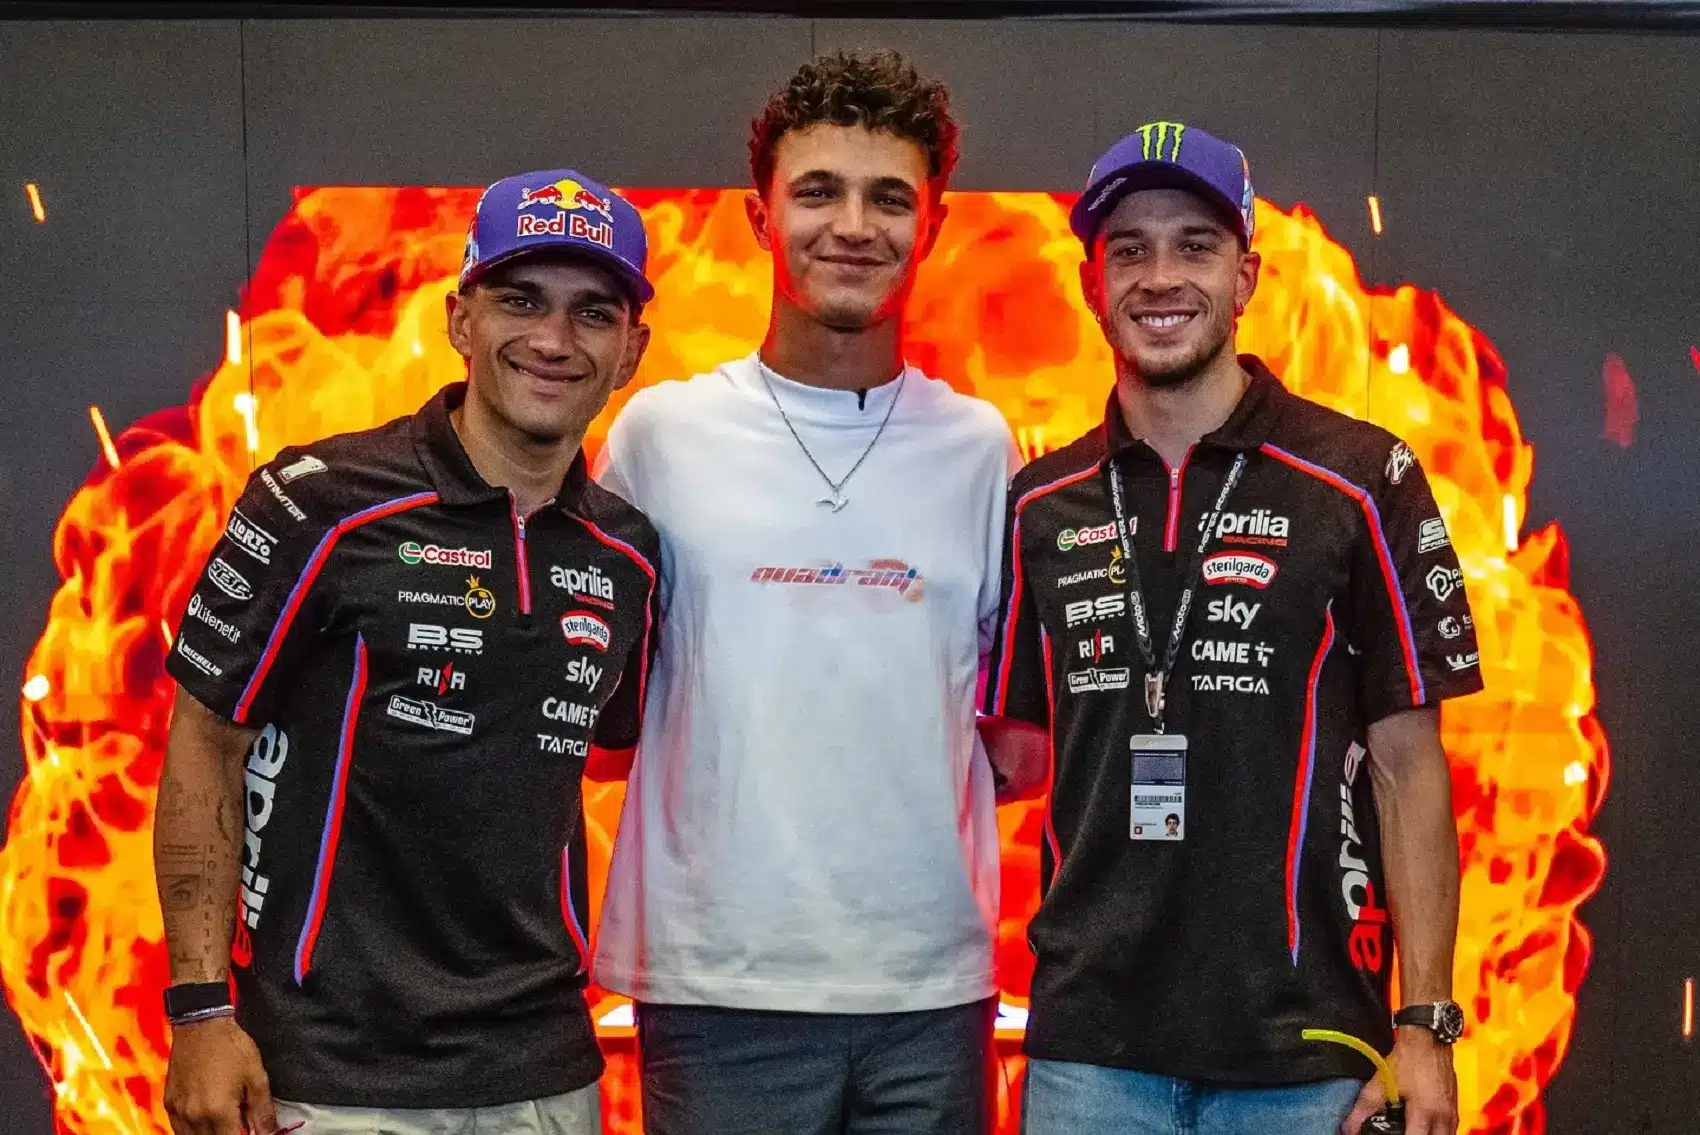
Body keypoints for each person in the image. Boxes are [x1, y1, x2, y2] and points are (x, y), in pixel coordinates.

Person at [981, 123, 1478, 1135]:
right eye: (1128, 249)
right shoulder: (1039, 502)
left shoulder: (1359, 479)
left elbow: (1408, 768)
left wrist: (1424, 1026)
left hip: (1302, 1053)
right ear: (1090, 285)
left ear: (1244, 276)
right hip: (1087, 1056)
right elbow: (1013, 761)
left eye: (1195, 246)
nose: (1160, 277)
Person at [154, 168, 660, 1135]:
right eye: (521, 300)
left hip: (547, 1076)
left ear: (630, 351)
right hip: (335, 1076)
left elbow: (602, 754)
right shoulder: (319, 501)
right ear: (460, 319)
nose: (554, 339)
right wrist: (201, 1012)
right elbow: (204, 740)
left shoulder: (628, 553)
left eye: (593, 313)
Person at [592, 50, 1017, 1135]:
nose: (853, 226)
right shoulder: (659, 436)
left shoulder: (980, 447)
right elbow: (592, 714)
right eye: (818, 191)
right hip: (715, 982)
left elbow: (1019, 731)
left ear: (934, 225)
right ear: (759, 216)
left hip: (931, 990)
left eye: (889, 198)